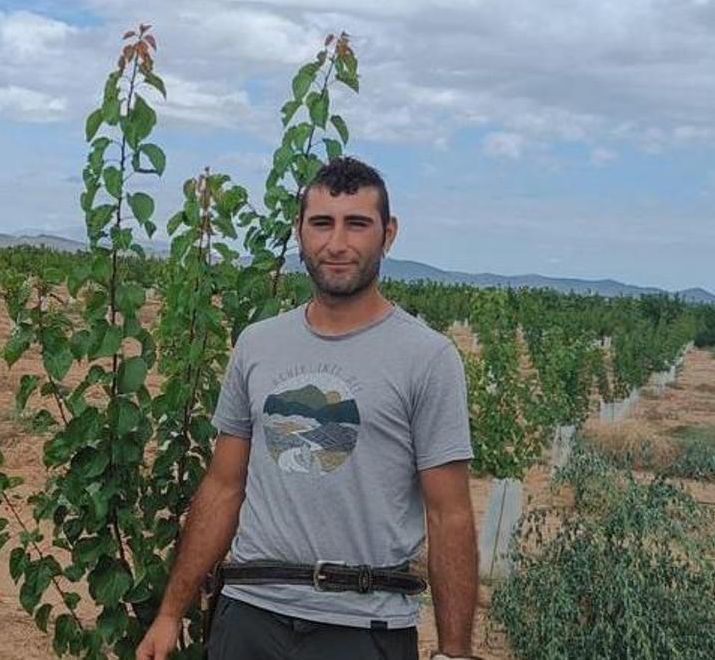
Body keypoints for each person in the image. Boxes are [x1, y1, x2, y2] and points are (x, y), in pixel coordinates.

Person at [137, 157, 479, 660]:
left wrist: (454, 653)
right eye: (322, 223)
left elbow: (448, 513)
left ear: (388, 234)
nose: (337, 243)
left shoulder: (427, 359)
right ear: (300, 233)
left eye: (356, 224)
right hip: (249, 616)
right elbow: (223, 485)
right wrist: (170, 614)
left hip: (363, 627)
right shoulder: (258, 345)